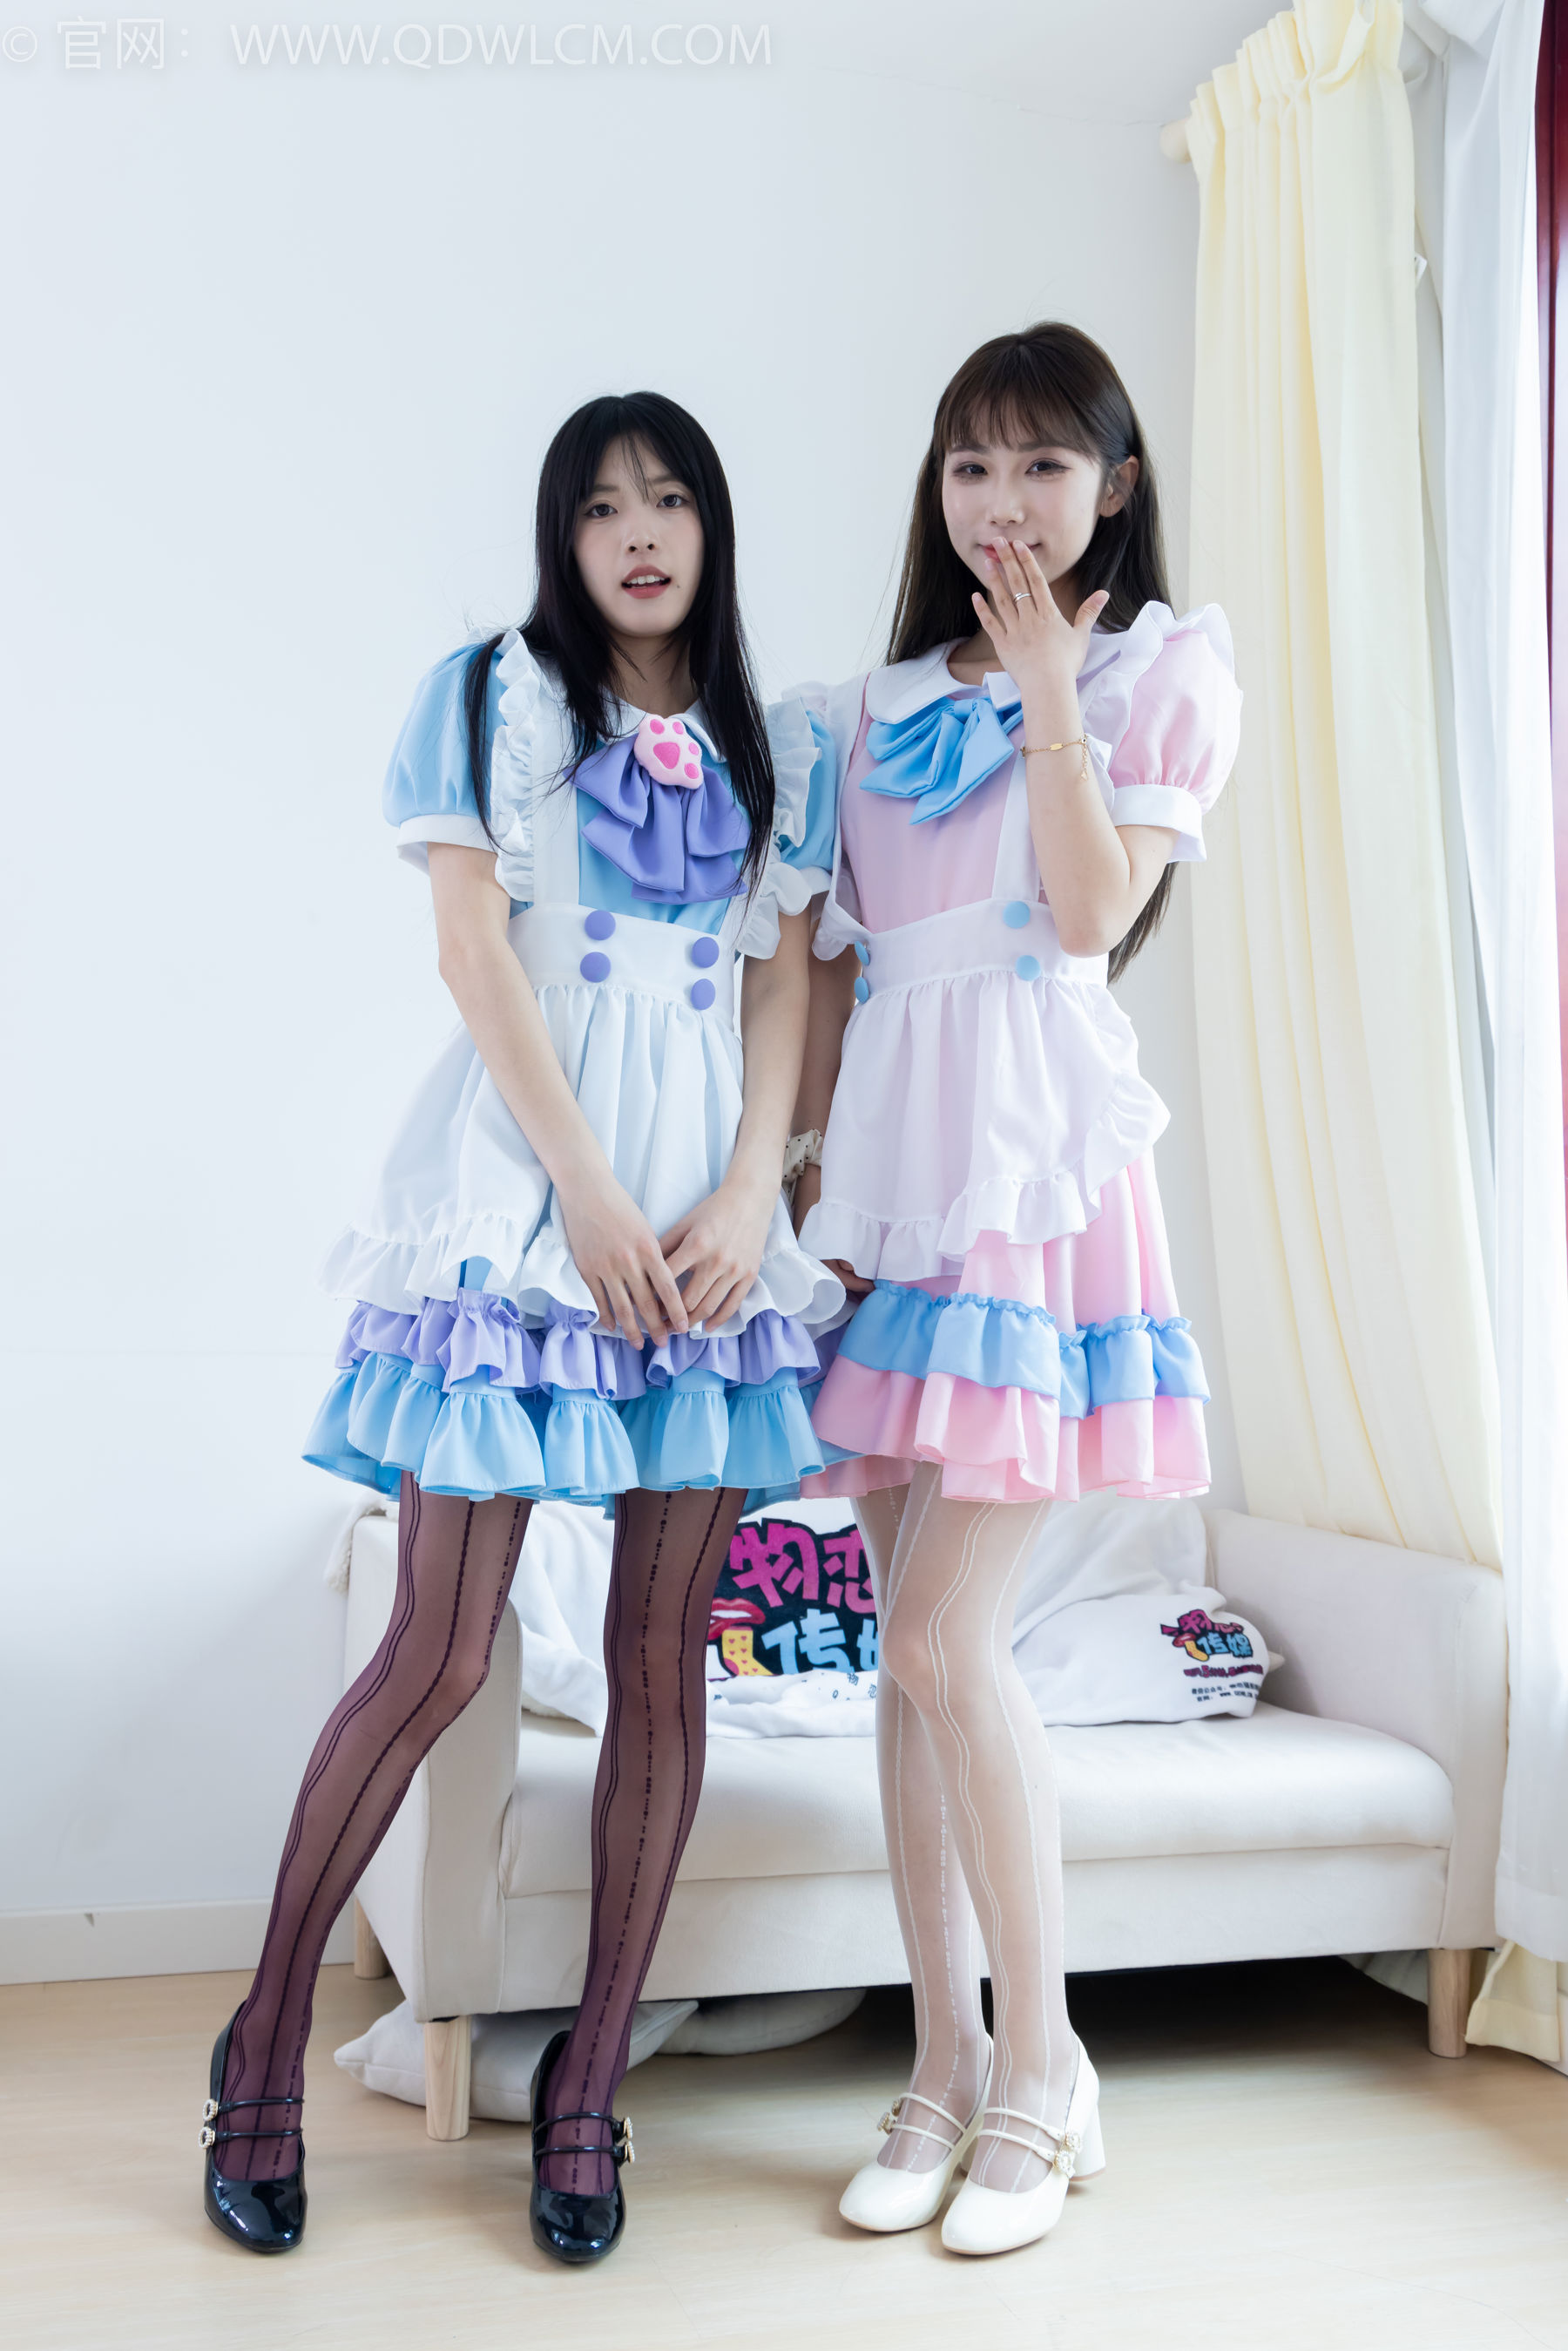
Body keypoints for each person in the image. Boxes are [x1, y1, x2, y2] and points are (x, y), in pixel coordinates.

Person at [201, 392, 841, 2265]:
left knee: (661, 1660)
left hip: (704, 1221)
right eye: (603, 505)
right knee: (439, 1640)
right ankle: (261, 2041)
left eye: (672, 500)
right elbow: (474, 951)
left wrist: (754, 1188)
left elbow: (781, 981)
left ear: (713, 528)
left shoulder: (778, 746)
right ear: (562, 537)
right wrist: (582, 1190)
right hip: (529, 1190)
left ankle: (586, 2086)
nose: (640, 532)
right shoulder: (494, 698)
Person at [788, 322, 1240, 2257]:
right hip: (892, 1207)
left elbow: (1087, 915)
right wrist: (797, 1197)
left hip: (1037, 1199)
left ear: (1113, 486)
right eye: (972, 465)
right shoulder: (865, 709)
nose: (1004, 502)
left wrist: (1054, 689)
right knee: (907, 1660)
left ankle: (1046, 2068)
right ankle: (943, 2058)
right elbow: (835, 974)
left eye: (1045, 465)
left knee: (942, 1637)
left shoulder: (1156, 672)